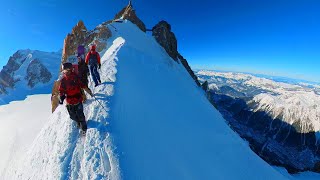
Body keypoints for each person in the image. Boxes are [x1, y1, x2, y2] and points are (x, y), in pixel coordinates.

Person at [59, 62, 93, 135]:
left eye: (66, 71)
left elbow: (82, 85)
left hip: (77, 99)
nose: (65, 73)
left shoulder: (75, 77)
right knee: (72, 116)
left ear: (70, 70)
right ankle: (78, 122)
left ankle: (84, 128)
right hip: (69, 102)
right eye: (64, 71)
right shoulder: (63, 80)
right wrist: (61, 97)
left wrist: (89, 91)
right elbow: (61, 90)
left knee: (80, 114)